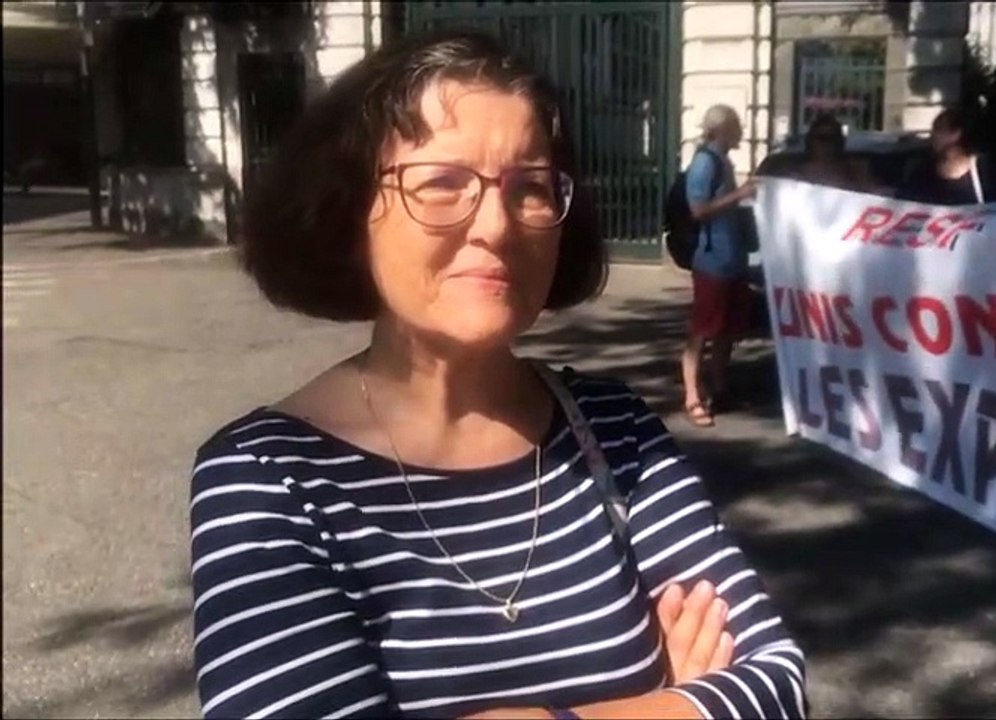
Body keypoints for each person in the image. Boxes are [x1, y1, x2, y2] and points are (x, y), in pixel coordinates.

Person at [189, 31, 806, 720]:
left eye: (531, 187)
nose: (496, 224)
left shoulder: (616, 431)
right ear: (352, 210)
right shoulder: (267, 476)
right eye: (442, 183)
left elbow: (774, 684)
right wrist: (666, 705)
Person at [679, 105, 758, 428]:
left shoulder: (723, 161)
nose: (741, 131)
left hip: (733, 260)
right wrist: (739, 194)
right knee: (702, 331)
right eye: (737, 125)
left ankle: (720, 388)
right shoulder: (704, 163)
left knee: (727, 331)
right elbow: (697, 210)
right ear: (723, 129)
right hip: (712, 262)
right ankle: (692, 396)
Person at [896, 106, 996, 206]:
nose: (932, 135)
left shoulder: (985, 173)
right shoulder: (921, 173)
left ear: (956, 134)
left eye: (938, 129)